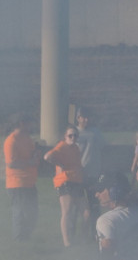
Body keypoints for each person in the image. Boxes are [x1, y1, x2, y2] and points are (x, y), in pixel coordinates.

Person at [44, 124, 86, 247]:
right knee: (66, 211)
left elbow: (77, 164)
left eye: (75, 135)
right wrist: (59, 164)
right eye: (70, 135)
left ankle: (83, 240)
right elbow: (47, 156)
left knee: (86, 212)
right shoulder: (62, 146)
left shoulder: (76, 148)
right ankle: (67, 242)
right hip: (65, 181)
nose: (73, 138)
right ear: (65, 136)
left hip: (77, 180)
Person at [3, 113, 39, 241]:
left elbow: (31, 154)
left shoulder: (27, 138)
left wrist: (35, 154)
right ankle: (19, 240)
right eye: (29, 123)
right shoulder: (11, 141)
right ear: (21, 123)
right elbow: (11, 163)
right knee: (20, 213)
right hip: (17, 183)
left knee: (32, 213)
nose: (31, 125)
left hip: (29, 182)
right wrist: (30, 162)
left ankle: (26, 237)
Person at [75, 106, 106, 242]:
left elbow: (104, 147)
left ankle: (95, 233)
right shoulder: (74, 133)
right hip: (79, 175)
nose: (86, 120)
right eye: (83, 117)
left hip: (94, 174)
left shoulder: (96, 132)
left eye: (88, 117)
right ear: (78, 118)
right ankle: (77, 235)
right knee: (79, 208)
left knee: (94, 206)